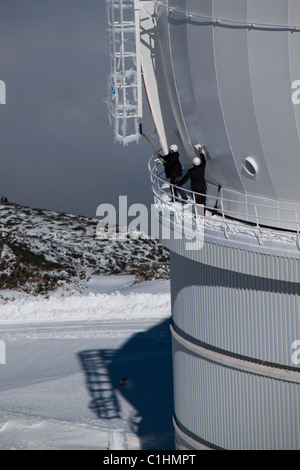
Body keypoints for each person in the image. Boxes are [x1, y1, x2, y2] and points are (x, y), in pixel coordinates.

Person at [178, 145, 207, 213]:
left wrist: (178, 184)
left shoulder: (191, 171)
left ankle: (200, 215)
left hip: (196, 188)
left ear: (193, 163)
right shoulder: (202, 167)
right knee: (203, 200)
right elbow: (204, 161)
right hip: (203, 187)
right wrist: (201, 153)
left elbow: (185, 179)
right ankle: (203, 213)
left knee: (198, 201)